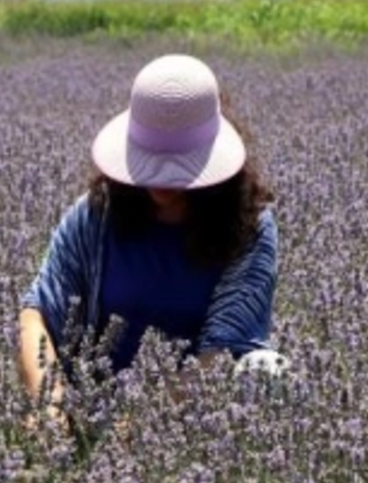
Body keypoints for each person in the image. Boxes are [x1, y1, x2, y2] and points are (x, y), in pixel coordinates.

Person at [17, 53, 283, 430]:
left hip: (196, 409)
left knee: (266, 372)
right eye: (151, 159)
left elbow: (222, 350)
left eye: (178, 162)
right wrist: (48, 404)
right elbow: (37, 312)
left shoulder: (250, 227)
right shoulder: (97, 215)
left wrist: (139, 432)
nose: (161, 178)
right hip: (93, 395)